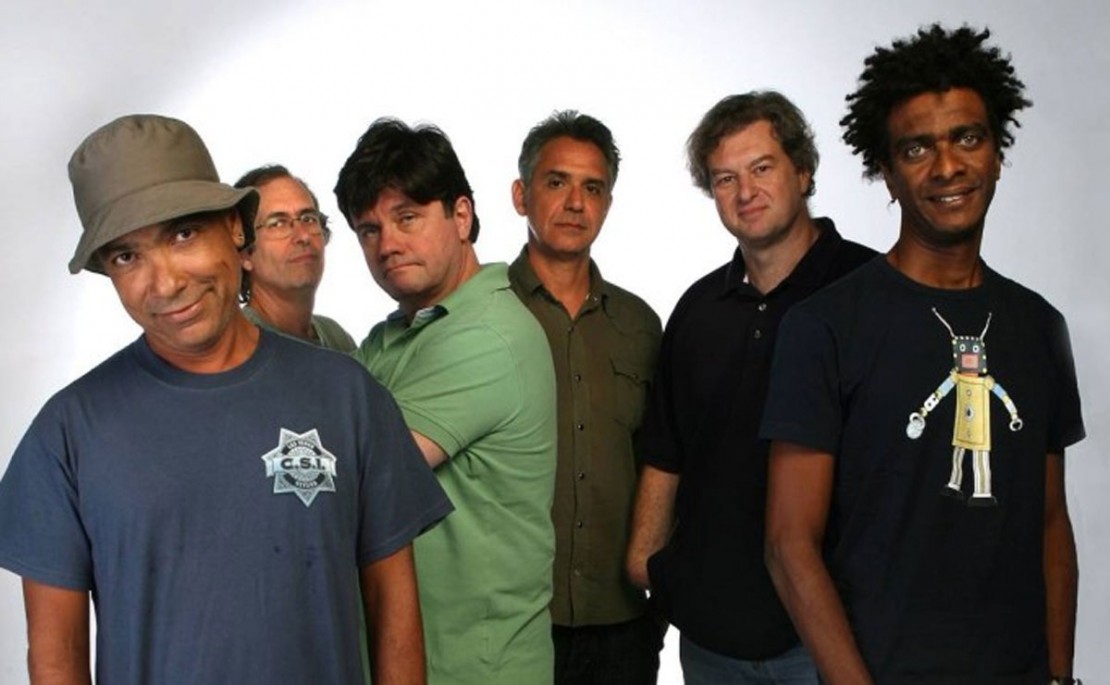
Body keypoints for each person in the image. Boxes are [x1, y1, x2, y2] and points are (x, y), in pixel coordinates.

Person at [0, 114, 451, 684]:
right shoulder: (67, 433)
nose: (165, 283)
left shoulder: (347, 397)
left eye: (183, 234)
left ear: (237, 228)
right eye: (126, 257)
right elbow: (56, 660)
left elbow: (395, 616)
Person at [761, 24, 1084, 684]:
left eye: (968, 138)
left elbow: (1051, 523)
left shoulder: (1039, 326)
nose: (947, 167)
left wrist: (1059, 676)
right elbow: (788, 545)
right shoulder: (824, 326)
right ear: (885, 172)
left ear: (997, 154)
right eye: (916, 148)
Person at [625, 91, 875, 684]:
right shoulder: (698, 308)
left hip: (831, 638)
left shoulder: (868, 290)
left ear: (803, 171)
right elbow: (667, 450)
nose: (745, 192)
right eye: (725, 179)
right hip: (713, 643)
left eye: (762, 168)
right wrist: (645, 564)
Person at [334, 117, 558, 685]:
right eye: (369, 229)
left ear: (461, 216)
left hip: (474, 669)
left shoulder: (488, 335)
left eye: (407, 217)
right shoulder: (394, 335)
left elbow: (351, 482)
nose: (388, 244)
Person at [508, 111, 663, 684]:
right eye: (557, 182)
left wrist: (659, 604)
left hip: (621, 627)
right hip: (509, 625)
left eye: (592, 188)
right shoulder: (483, 313)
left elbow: (663, 464)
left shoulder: (640, 325)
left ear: (608, 204)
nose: (575, 203)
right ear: (521, 195)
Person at [234, 164, 356, 351]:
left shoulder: (336, 338)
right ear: (244, 253)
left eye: (308, 219)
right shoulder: (236, 345)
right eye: (278, 224)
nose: (303, 236)